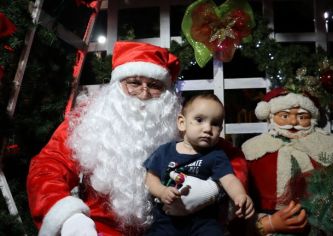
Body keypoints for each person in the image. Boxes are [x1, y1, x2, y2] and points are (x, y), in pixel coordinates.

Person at [26, 42, 247, 236]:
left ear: (166, 92)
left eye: (154, 85)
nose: (143, 93)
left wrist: (209, 191)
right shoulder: (90, 120)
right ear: (118, 85)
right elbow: (48, 166)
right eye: (133, 82)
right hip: (100, 228)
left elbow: (232, 157)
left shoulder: (179, 123)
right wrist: (71, 217)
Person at [241, 87, 333, 235]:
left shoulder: (329, 144)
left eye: (302, 117)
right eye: (284, 116)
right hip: (268, 221)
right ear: (270, 115)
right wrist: (265, 225)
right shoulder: (253, 149)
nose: (294, 121)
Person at [144, 93, 254, 236]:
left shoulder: (216, 155)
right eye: (199, 120)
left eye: (215, 124)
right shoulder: (164, 151)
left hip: (203, 221)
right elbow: (150, 177)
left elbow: (229, 179)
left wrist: (240, 195)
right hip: (167, 219)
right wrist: (161, 191)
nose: (208, 129)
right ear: (182, 123)